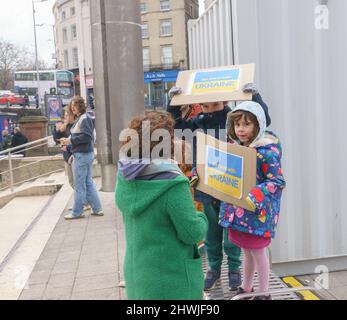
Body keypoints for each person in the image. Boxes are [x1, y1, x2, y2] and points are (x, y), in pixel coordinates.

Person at [167, 83, 271, 292]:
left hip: (231, 185)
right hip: (207, 186)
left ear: (223, 101)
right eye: (204, 106)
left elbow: (263, 121)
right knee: (211, 232)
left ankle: (234, 269)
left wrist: (255, 96)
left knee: (232, 233)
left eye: (214, 105)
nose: (209, 110)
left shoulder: (234, 119)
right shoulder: (198, 122)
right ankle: (214, 270)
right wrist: (172, 103)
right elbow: (176, 127)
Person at [115, 111, 208, 300]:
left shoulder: (125, 176)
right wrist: (201, 215)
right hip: (171, 281)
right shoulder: (172, 184)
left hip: (138, 276)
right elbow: (193, 233)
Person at [219, 101, 286, 300]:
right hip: (240, 212)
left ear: (258, 125)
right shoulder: (235, 147)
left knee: (258, 253)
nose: (240, 129)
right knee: (247, 252)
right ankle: (246, 288)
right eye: (237, 124)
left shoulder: (267, 152)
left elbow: (277, 181)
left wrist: (255, 194)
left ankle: (264, 292)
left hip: (257, 213)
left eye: (246, 124)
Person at [60, 96, 103, 220]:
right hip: (85, 154)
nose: (73, 108)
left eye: (75, 105)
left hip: (81, 155)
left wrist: (70, 140)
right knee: (88, 183)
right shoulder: (84, 118)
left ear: (80, 105)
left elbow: (87, 137)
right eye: (72, 106)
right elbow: (86, 137)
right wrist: (70, 142)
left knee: (80, 185)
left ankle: (77, 212)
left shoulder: (84, 118)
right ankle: (97, 208)